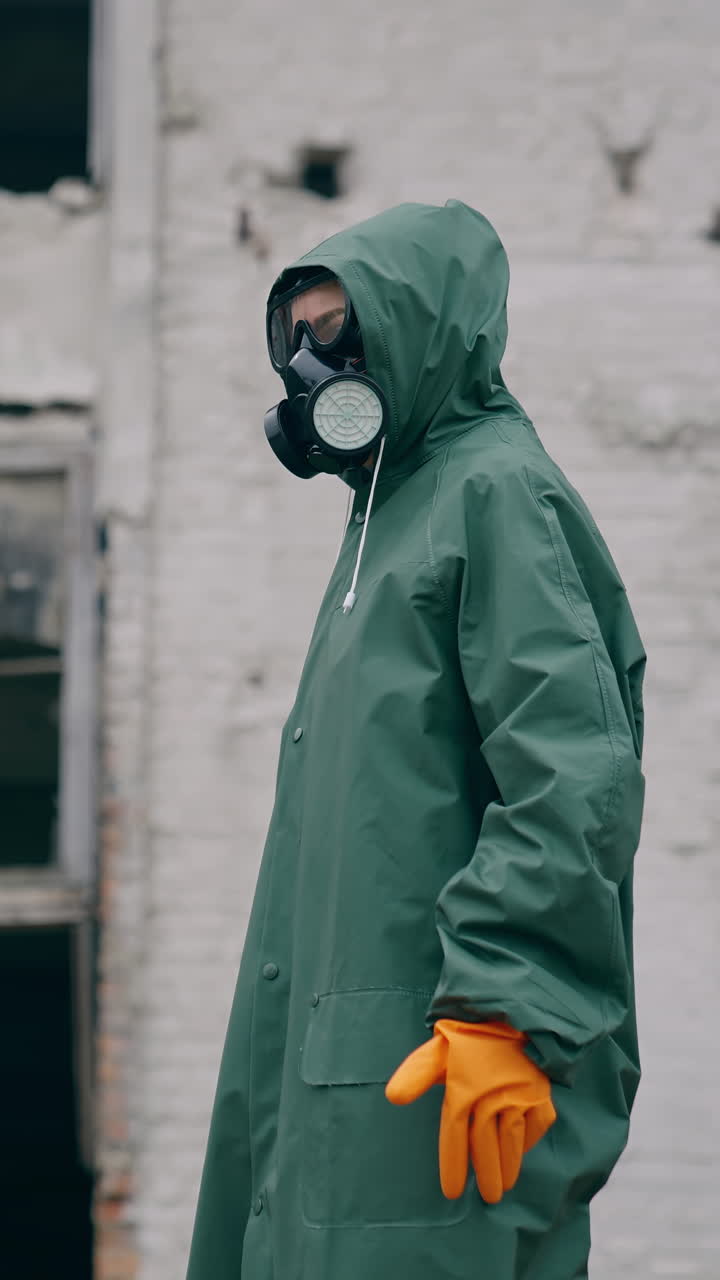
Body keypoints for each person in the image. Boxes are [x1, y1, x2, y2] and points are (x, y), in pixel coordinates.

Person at [185, 199, 646, 1280]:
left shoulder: (494, 489)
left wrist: (504, 1004)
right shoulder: (388, 517)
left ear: (427, 327)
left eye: (340, 331)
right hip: (331, 1084)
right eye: (294, 339)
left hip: (443, 1071)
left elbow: (571, 772)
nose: (314, 365)